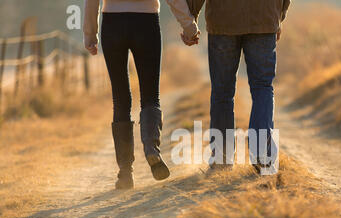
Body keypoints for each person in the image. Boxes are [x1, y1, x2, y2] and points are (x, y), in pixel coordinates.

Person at [83, 0, 200, 189]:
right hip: (146, 23)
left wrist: (90, 33)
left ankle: (125, 172)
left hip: (112, 24)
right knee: (150, 94)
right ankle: (151, 148)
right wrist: (189, 26)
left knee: (120, 98)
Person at [182, 0, 290, 174]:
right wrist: (279, 16)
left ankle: (221, 159)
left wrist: (190, 20)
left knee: (222, 92)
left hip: (223, 20)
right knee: (262, 87)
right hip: (264, 18)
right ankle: (263, 155)